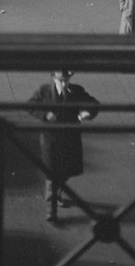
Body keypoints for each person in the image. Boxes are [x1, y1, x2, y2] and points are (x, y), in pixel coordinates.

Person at [27, 70, 99, 223]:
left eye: (67, 80)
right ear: (54, 78)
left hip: (70, 140)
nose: (64, 83)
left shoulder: (77, 91)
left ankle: (57, 194)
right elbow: (30, 105)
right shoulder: (44, 91)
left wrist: (87, 112)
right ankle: (51, 211)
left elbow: (94, 103)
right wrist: (45, 115)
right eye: (61, 80)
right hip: (50, 141)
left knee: (66, 172)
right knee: (51, 175)